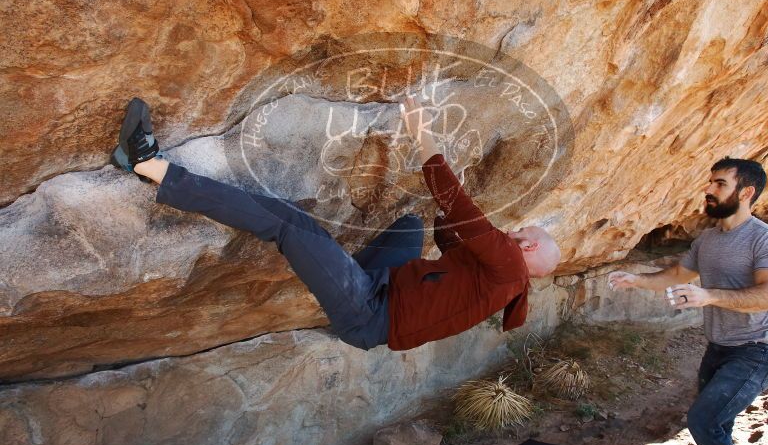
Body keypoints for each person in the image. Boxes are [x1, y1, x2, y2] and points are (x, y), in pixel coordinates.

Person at [111, 96, 561, 352]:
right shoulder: (505, 280)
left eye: (524, 234)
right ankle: (331, 264)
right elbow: (449, 233)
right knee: (407, 226)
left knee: (287, 228)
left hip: (368, 312)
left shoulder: (507, 261)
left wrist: (419, 128)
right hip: (387, 291)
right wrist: (454, 222)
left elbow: (452, 200)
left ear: (526, 249)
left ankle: (149, 165)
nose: (514, 231)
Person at [608, 158, 768, 445]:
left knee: (703, 421)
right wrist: (638, 279)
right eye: (711, 182)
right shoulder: (708, 238)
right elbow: (678, 272)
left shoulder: (767, 241)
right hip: (717, 350)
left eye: (719, 184)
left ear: (747, 192)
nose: (709, 190)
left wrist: (710, 295)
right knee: (716, 428)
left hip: (756, 353)